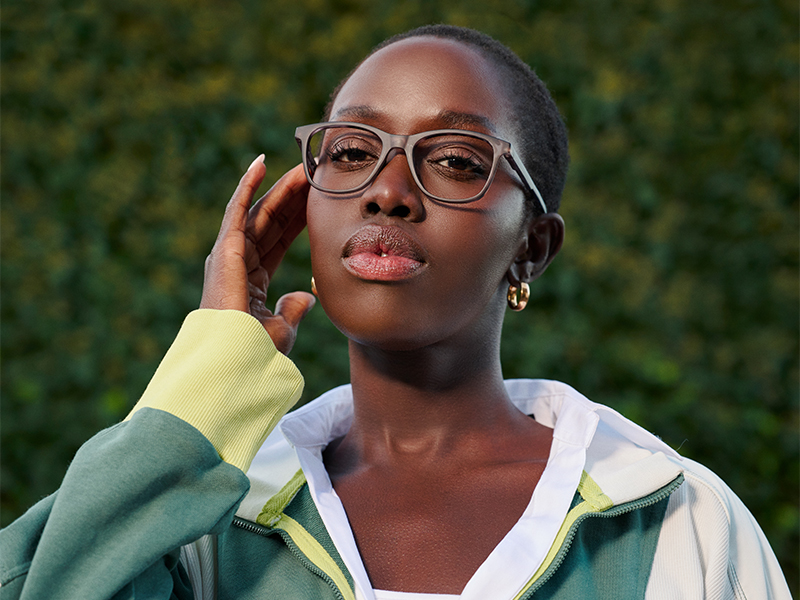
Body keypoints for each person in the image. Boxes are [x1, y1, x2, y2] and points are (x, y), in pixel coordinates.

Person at [0, 24, 790, 600]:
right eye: (350, 152)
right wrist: (210, 376)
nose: (387, 190)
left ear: (533, 247)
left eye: (453, 160)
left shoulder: (684, 525)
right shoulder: (202, 525)